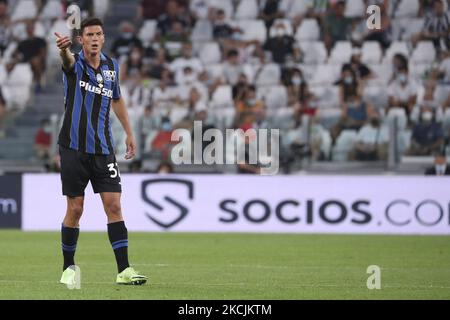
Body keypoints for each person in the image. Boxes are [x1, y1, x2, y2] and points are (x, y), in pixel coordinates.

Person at [54, 18, 147, 286]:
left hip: (104, 149)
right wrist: (62, 49)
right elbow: (67, 59)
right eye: (89, 35)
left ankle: (124, 270)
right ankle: (68, 267)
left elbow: (116, 99)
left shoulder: (111, 67)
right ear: (81, 39)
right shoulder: (75, 64)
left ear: (103, 38)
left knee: (114, 205)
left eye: (98, 34)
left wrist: (129, 132)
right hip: (73, 148)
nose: (94, 38)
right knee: (75, 208)